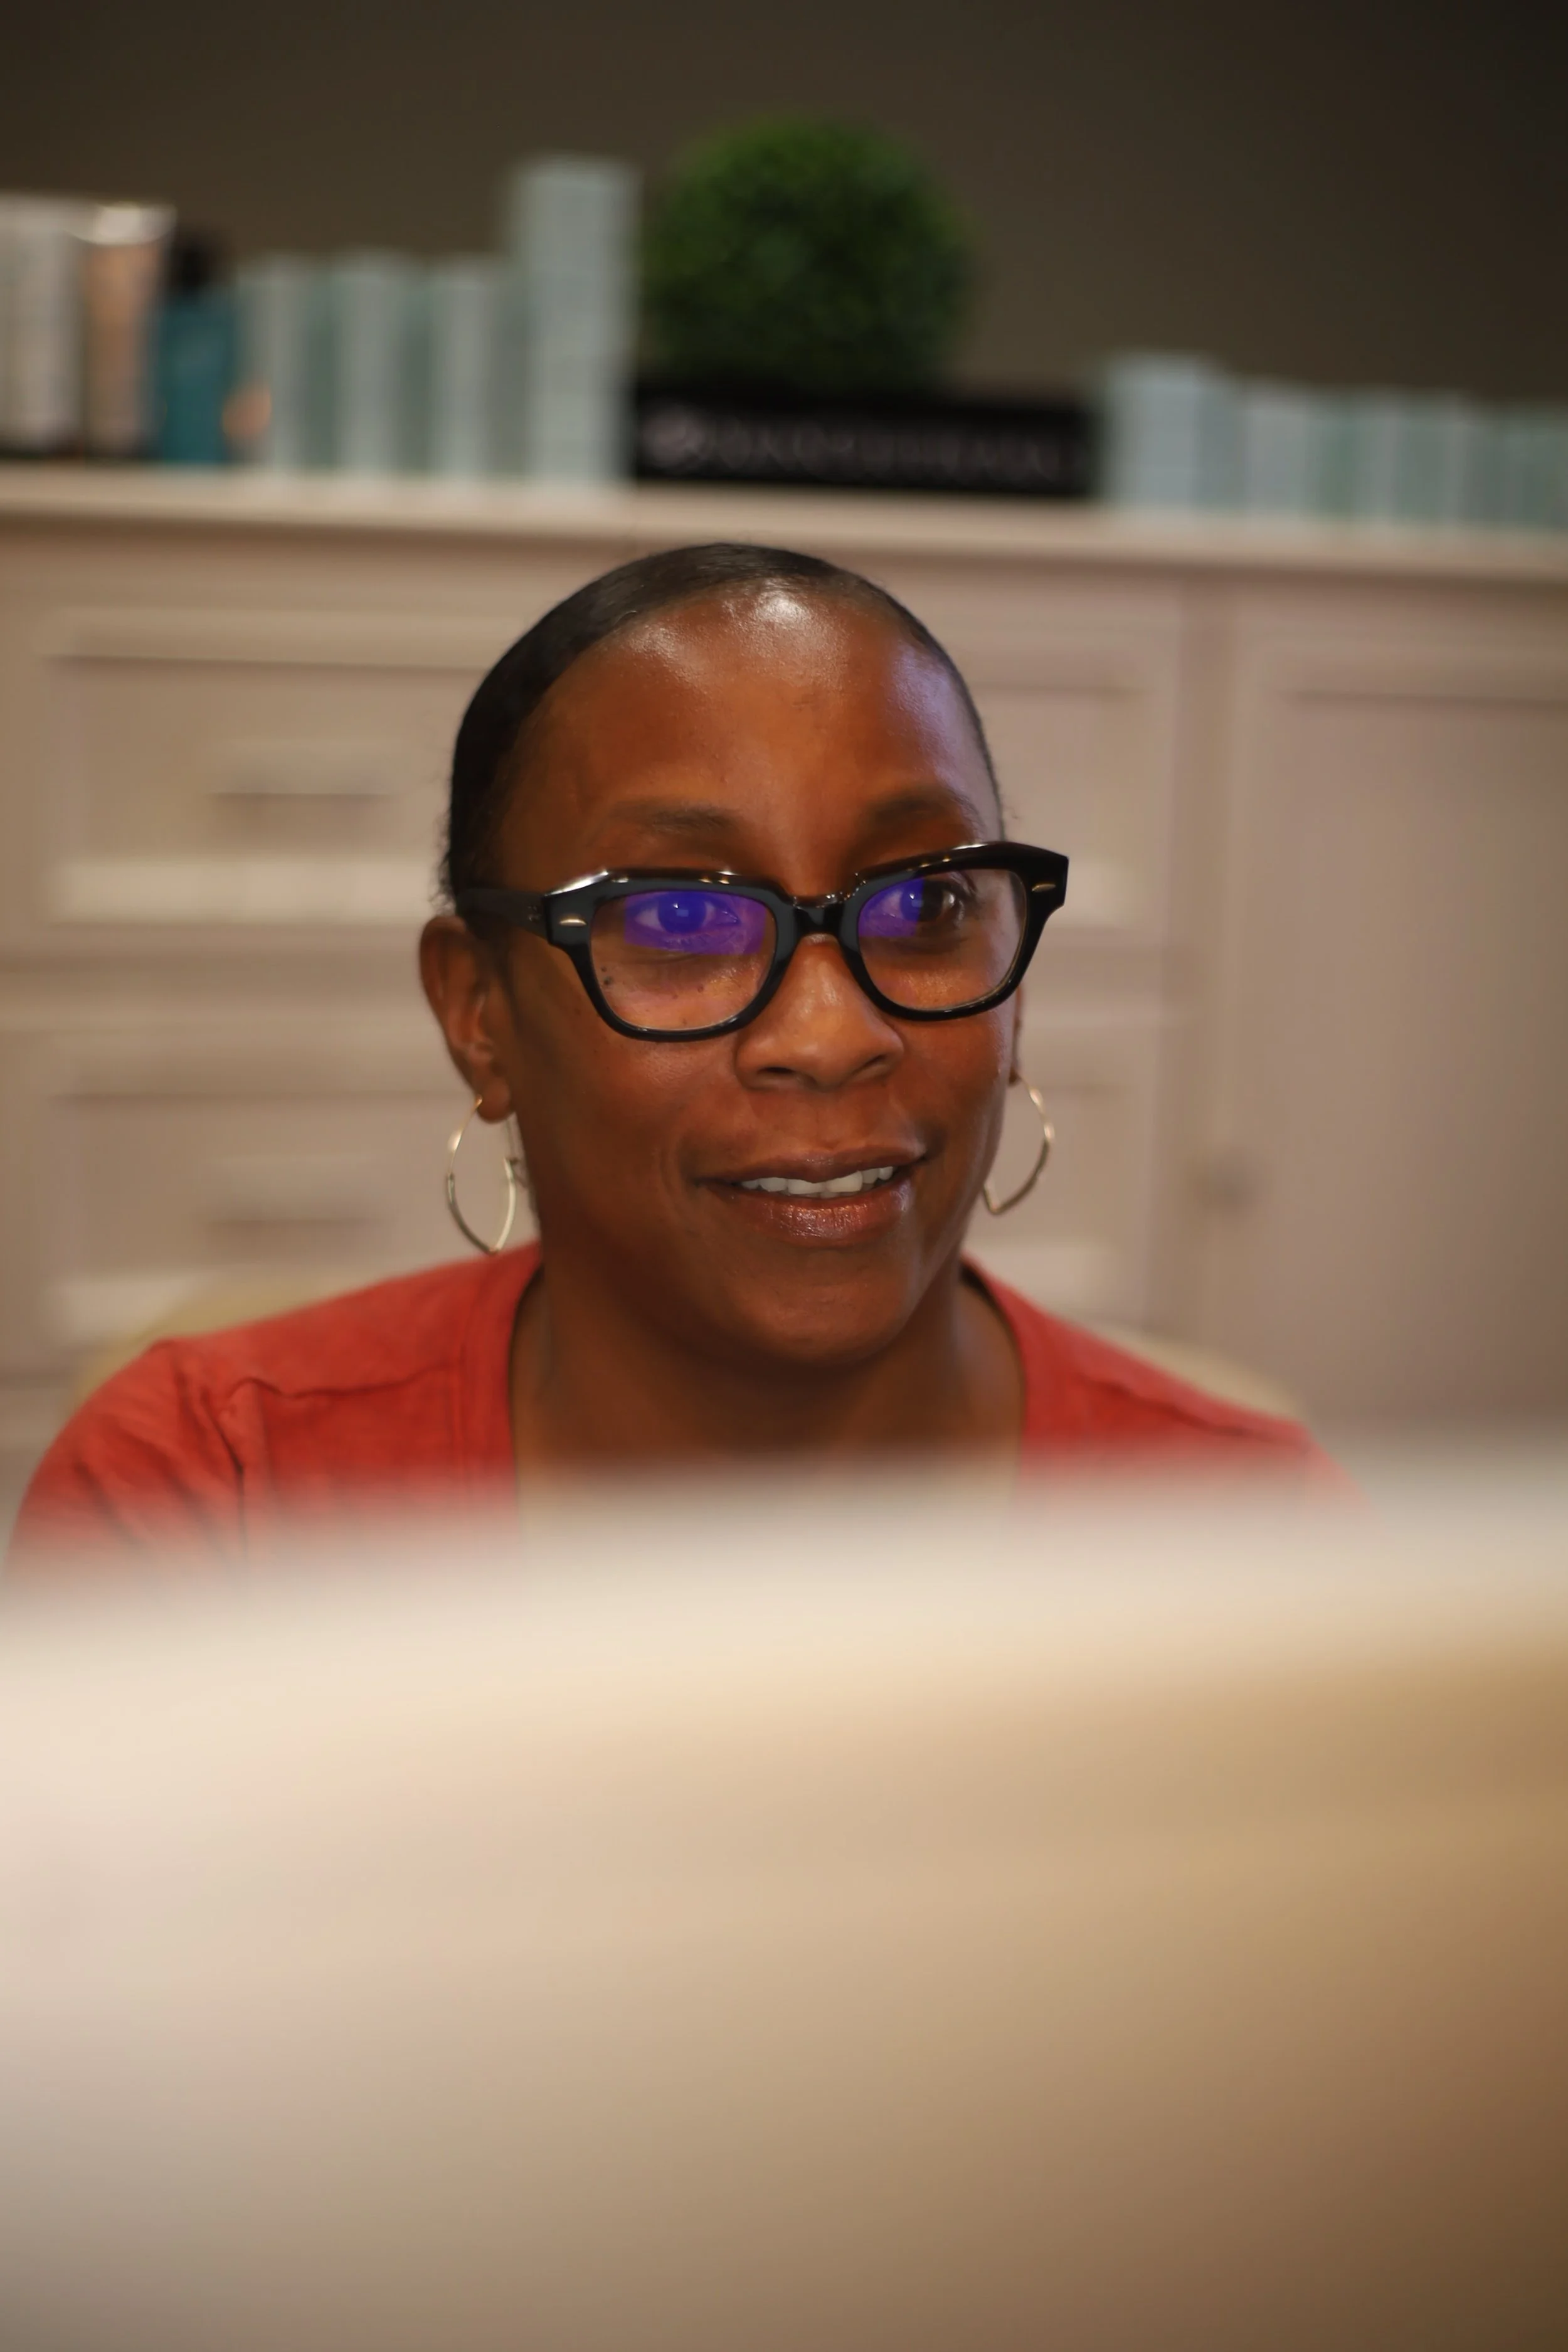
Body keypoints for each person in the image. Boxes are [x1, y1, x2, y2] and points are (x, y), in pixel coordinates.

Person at [11, 544, 1330, 1565]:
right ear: (479, 1012)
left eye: (924, 902)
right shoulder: (211, 1497)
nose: (830, 1036)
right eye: (679, 919)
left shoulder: (1248, 1543)